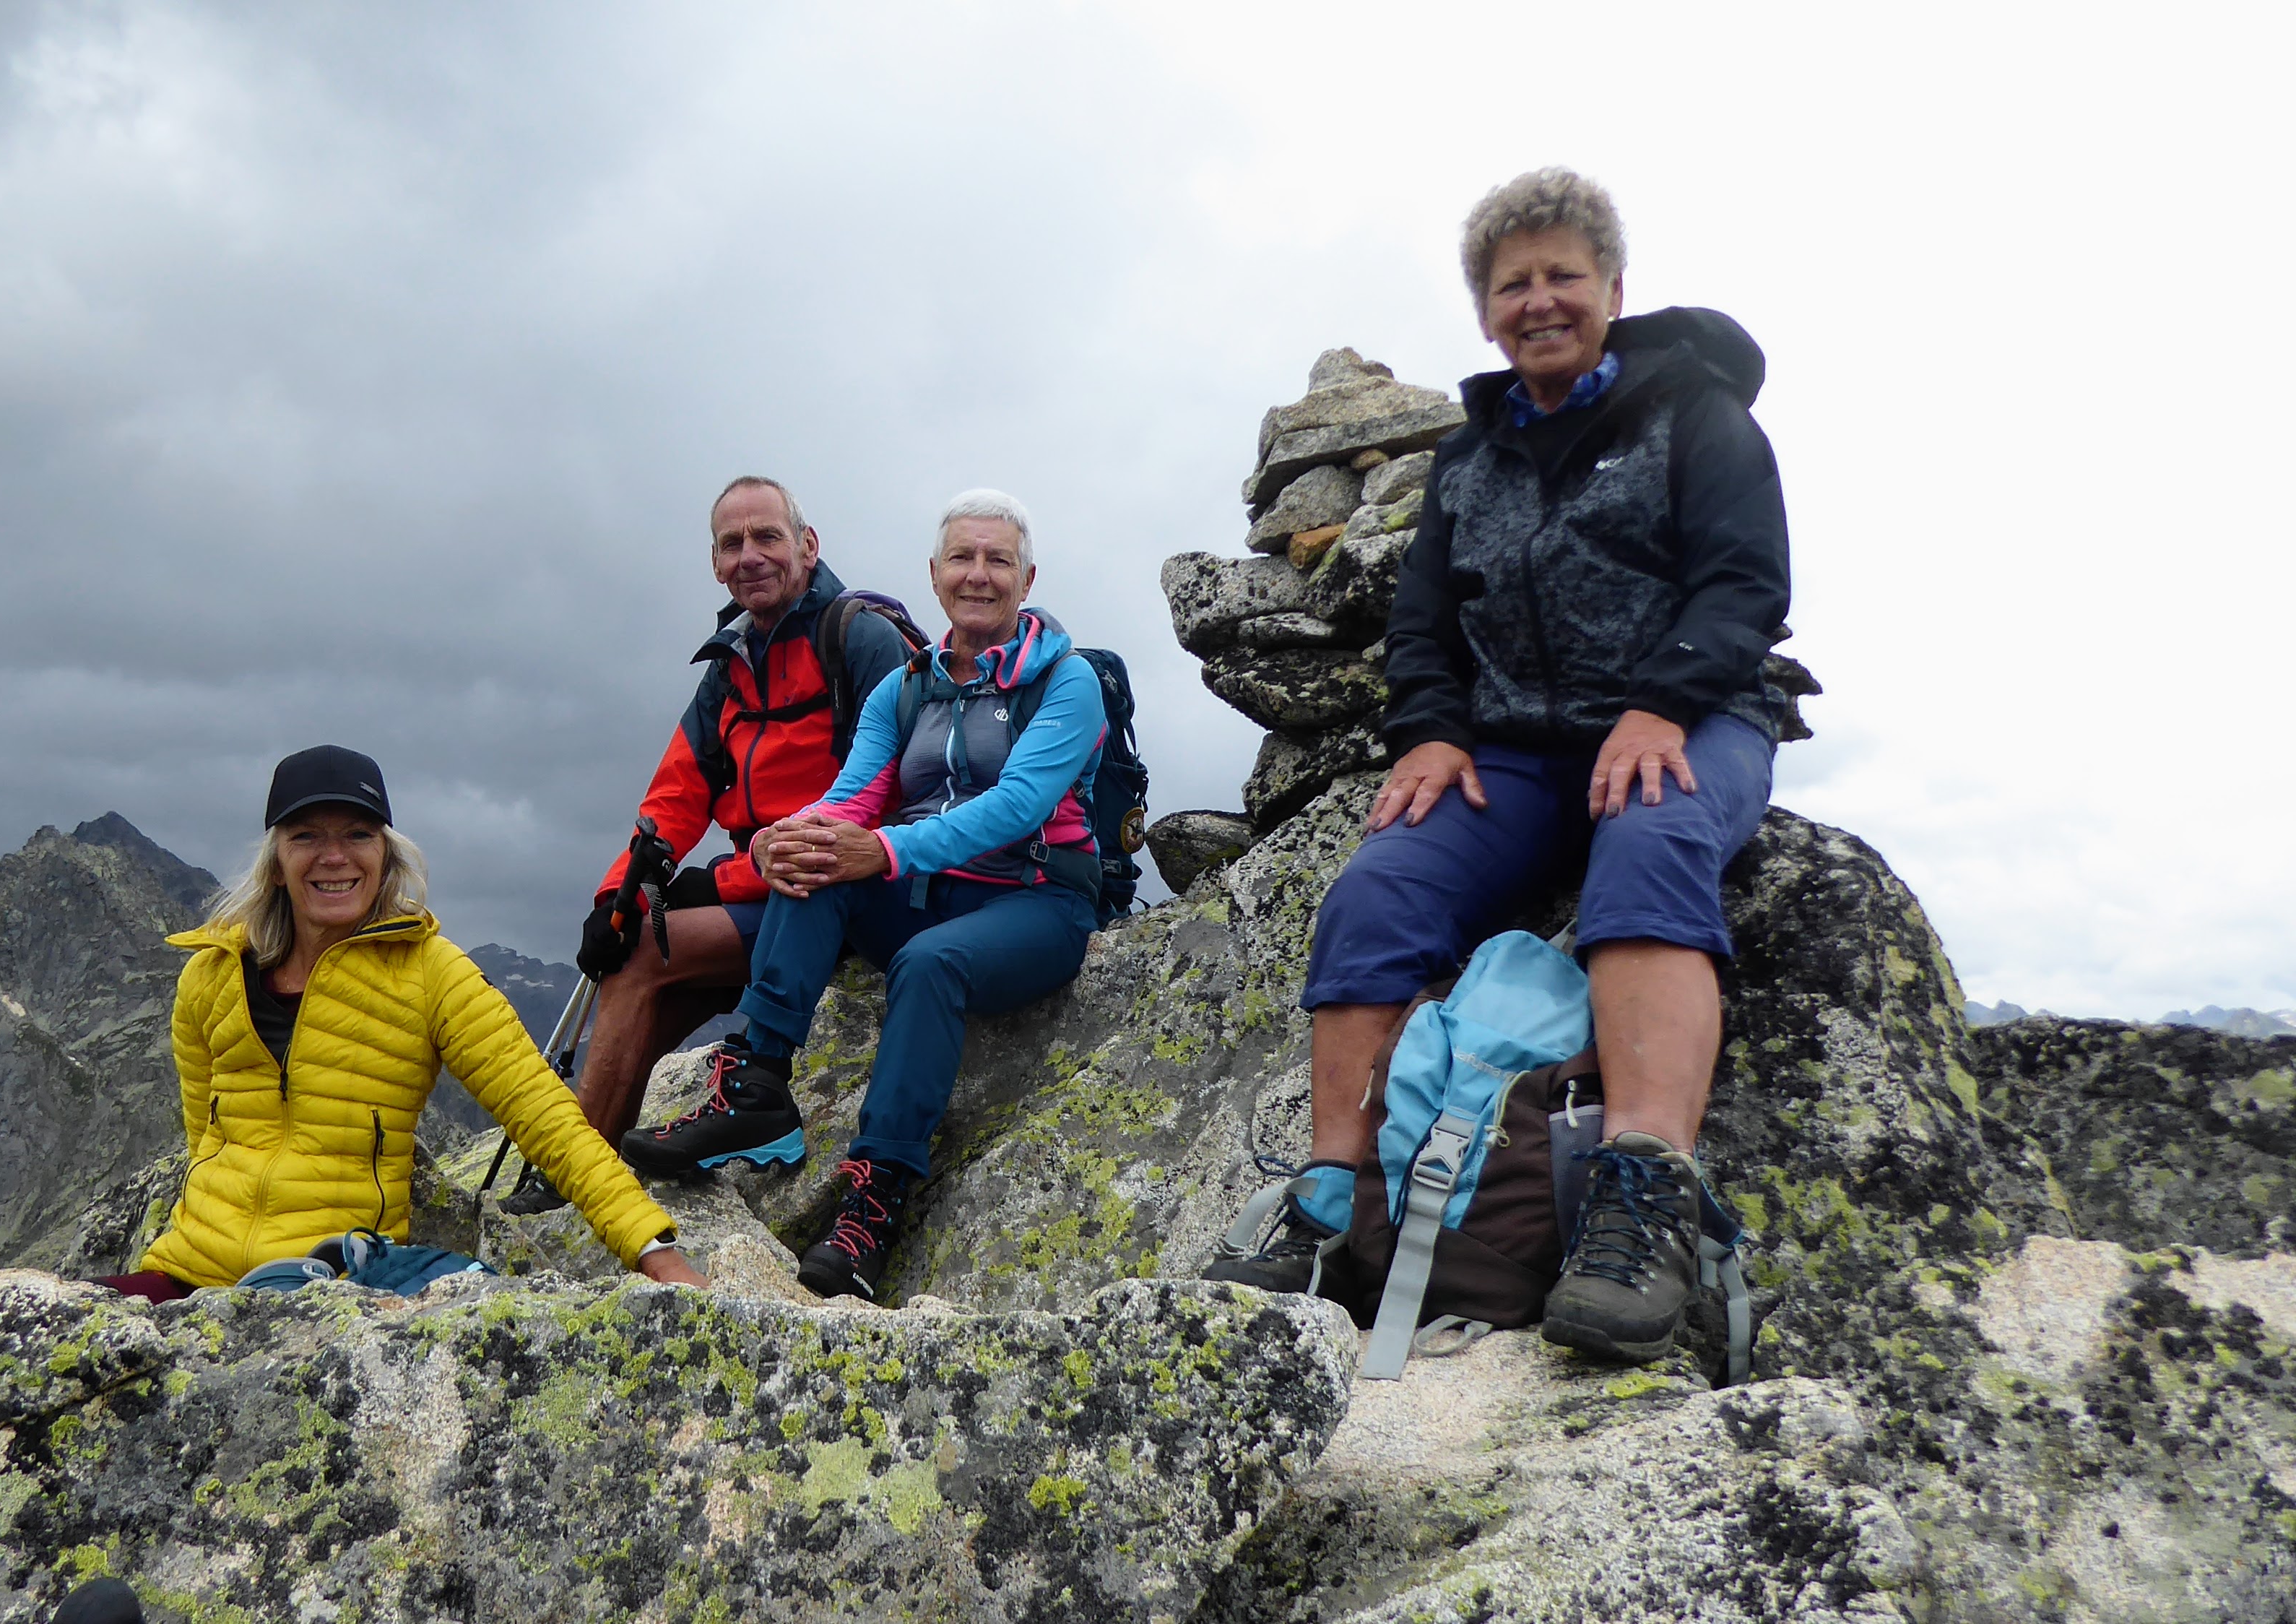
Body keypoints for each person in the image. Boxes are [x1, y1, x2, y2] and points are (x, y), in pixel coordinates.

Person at [1205, 168, 1792, 1366]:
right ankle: (1327, 1201)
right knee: (1381, 886)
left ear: (1613, 289)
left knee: (1650, 844)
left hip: (1696, 717)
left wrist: (1662, 704)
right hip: (1518, 749)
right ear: (1486, 312)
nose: (1540, 300)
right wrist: (1429, 731)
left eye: (1563, 275)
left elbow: (1745, 580)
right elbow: (1424, 623)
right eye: (1514, 284)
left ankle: (1642, 1197)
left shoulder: (1697, 415)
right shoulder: (1471, 460)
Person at [623, 491, 1107, 1303]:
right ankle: (758, 1088)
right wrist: (786, 839)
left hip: (1038, 901)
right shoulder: (906, 689)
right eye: (961, 558)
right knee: (813, 865)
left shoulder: (1067, 680)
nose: (978, 575)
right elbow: (853, 797)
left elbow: (1020, 805)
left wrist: (881, 849)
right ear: (934, 573)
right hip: (930, 891)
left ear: (1027, 579)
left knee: (930, 962)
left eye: (997, 560)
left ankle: (875, 1202)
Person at [96, 745, 707, 1299]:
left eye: (358, 834)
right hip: (190, 1276)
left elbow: (546, 1118)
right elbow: (204, 1143)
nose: (334, 856)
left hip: (334, 1285)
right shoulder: (210, 977)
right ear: (276, 863)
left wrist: (655, 1253)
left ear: (386, 854)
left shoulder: (431, 973)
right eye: (306, 836)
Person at [499, 476, 914, 1215]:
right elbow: (677, 793)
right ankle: (597, 1168)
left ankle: (574, 1174)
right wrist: (617, 894)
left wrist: (721, 882)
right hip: (766, 886)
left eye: (767, 537)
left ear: (808, 545)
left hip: (839, 892)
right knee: (647, 963)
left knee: (644, 956)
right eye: (732, 543)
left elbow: (881, 799)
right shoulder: (732, 664)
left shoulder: (860, 640)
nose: (750, 556)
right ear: (715, 564)